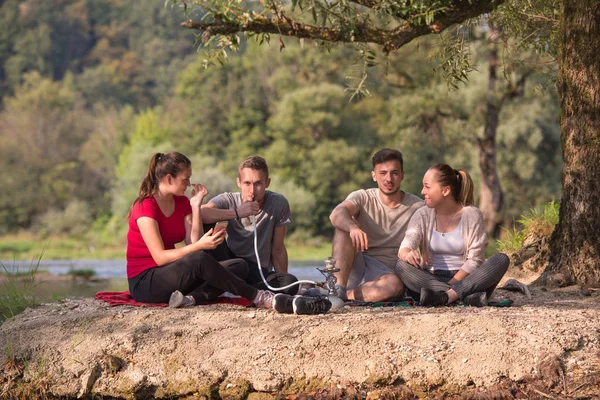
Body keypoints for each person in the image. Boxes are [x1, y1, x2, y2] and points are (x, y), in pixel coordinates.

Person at [126, 152, 331, 314]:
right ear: (169, 178)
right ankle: (261, 298)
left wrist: (195, 206)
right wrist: (200, 245)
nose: (189, 184)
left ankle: (191, 299)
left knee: (238, 266)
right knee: (199, 257)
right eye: (185, 179)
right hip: (146, 281)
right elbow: (161, 257)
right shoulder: (145, 207)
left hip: (171, 277)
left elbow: (192, 241)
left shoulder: (181, 203)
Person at [394, 163, 510, 307]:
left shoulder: (472, 215)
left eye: (427, 187)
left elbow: (475, 260)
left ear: (446, 190)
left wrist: (453, 285)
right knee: (400, 265)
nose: (423, 191)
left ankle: (445, 297)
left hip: (466, 279)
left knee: (501, 260)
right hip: (429, 278)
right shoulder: (422, 214)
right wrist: (407, 254)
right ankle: (464, 298)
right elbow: (406, 245)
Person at [327, 148, 424, 302]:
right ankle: (337, 289)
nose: (389, 179)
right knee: (344, 225)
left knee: (393, 286)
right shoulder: (363, 197)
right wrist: (353, 227)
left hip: (390, 275)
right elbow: (336, 213)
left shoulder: (419, 207)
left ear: (402, 175)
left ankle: (343, 296)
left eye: (394, 173)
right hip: (357, 266)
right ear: (374, 176)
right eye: (383, 173)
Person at [201, 156, 299, 295]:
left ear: (267, 182)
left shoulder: (278, 202)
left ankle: (242, 290)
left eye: (258, 183)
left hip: (256, 270)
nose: (252, 191)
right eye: (247, 183)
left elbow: (278, 249)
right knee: (207, 223)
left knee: (289, 283)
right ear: (238, 182)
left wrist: (282, 285)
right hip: (230, 264)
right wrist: (237, 212)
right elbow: (201, 213)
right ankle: (242, 290)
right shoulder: (228, 199)